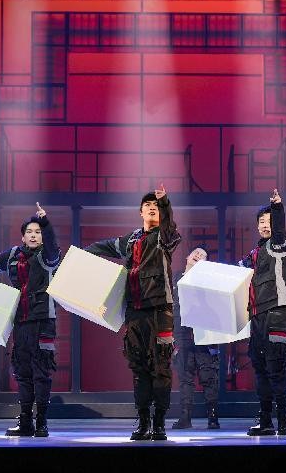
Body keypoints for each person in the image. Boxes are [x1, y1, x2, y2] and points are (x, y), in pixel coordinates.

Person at [85, 184, 181, 441]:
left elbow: (169, 223)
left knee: (160, 367)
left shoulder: (164, 236)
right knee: (138, 368)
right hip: (135, 312)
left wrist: (164, 201)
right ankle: (143, 420)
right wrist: (77, 258)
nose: (152, 208)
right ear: (140, 212)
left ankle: (159, 422)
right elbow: (105, 247)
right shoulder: (130, 240)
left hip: (160, 310)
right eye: (147, 205)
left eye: (155, 206)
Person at [0, 203, 61, 437]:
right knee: (23, 372)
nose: (34, 235)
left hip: (43, 321)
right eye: (30, 232)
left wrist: (45, 222)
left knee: (41, 372)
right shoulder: (12, 256)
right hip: (20, 322)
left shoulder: (48, 256)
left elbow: (52, 243)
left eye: (38, 232)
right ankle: (25, 421)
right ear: (23, 236)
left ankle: (42, 422)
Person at [239, 189, 286, 436]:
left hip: (277, 313)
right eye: (261, 221)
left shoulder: (278, 245)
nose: (264, 225)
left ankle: (283, 421)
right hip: (257, 316)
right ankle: (266, 421)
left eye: (269, 221)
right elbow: (233, 275)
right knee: (260, 370)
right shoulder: (255, 253)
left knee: (275, 369)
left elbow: (279, 231)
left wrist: (278, 208)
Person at [171, 246, 220, 430]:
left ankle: (213, 418)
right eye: (196, 252)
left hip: (203, 333)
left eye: (203, 256)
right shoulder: (175, 278)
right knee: (185, 378)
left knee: (208, 377)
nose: (198, 256)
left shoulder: (208, 282)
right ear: (187, 256)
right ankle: (185, 418)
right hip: (181, 334)